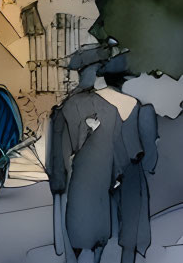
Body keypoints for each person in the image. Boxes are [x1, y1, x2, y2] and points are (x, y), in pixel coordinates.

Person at [48, 44, 125, 263]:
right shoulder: (111, 108)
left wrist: (58, 183)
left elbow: (60, 159)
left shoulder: (66, 108)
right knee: (98, 240)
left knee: (79, 242)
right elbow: (118, 156)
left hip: (78, 188)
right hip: (101, 189)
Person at [100, 53, 158, 263]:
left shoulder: (96, 106)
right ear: (126, 80)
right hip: (131, 172)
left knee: (103, 229)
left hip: (101, 171)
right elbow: (149, 150)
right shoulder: (138, 107)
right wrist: (148, 166)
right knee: (130, 229)